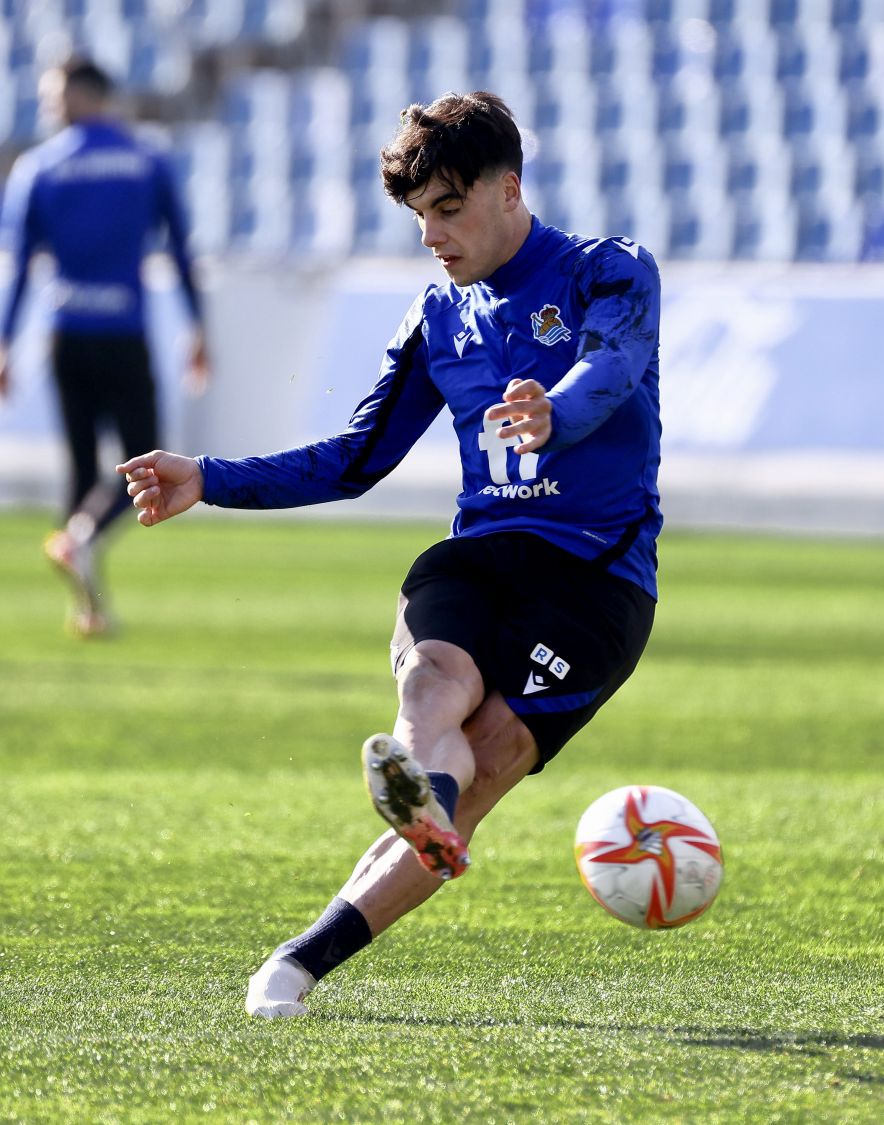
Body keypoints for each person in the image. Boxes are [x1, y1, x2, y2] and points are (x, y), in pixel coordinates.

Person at [117, 91, 662, 1019]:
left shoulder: (607, 271)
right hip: (480, 556)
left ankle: (301, 957)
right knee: (429, 687)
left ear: (508, 188)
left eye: (448, 209)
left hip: (595, 580)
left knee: (487, 760)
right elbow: (357, 459)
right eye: (419, 217)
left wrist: (555, 413)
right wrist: (209, 476)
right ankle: (423, 811)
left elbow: (612, 366)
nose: (433, 237)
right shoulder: (438, 317)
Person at [0, 57, 209, 636]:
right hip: (124, 331)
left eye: (52, 94)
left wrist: (5, 343)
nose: (46, 105)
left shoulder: (40, 167)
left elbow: (21, 268)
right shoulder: (145, 159)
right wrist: (198, 327)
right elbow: (182, 249)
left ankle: (87, 603)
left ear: (82, 94)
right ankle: (82, 554)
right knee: (144, 456)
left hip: (64, 333)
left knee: (81, 468)